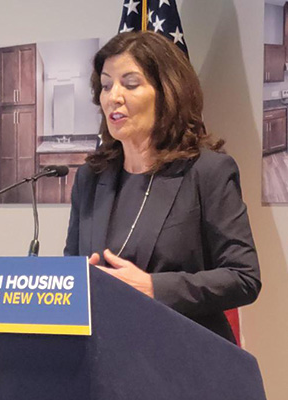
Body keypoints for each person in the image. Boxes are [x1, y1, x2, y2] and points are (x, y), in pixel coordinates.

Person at [64, 31, 261, 343]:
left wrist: (154, 288)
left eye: (130, 83)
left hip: (183, 357)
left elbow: (243, 277)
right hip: (106, 355)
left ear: (166, 92)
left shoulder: (206, 172)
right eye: (105, 85)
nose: (114, 96)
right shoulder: (91, 177)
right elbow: (72, 269)